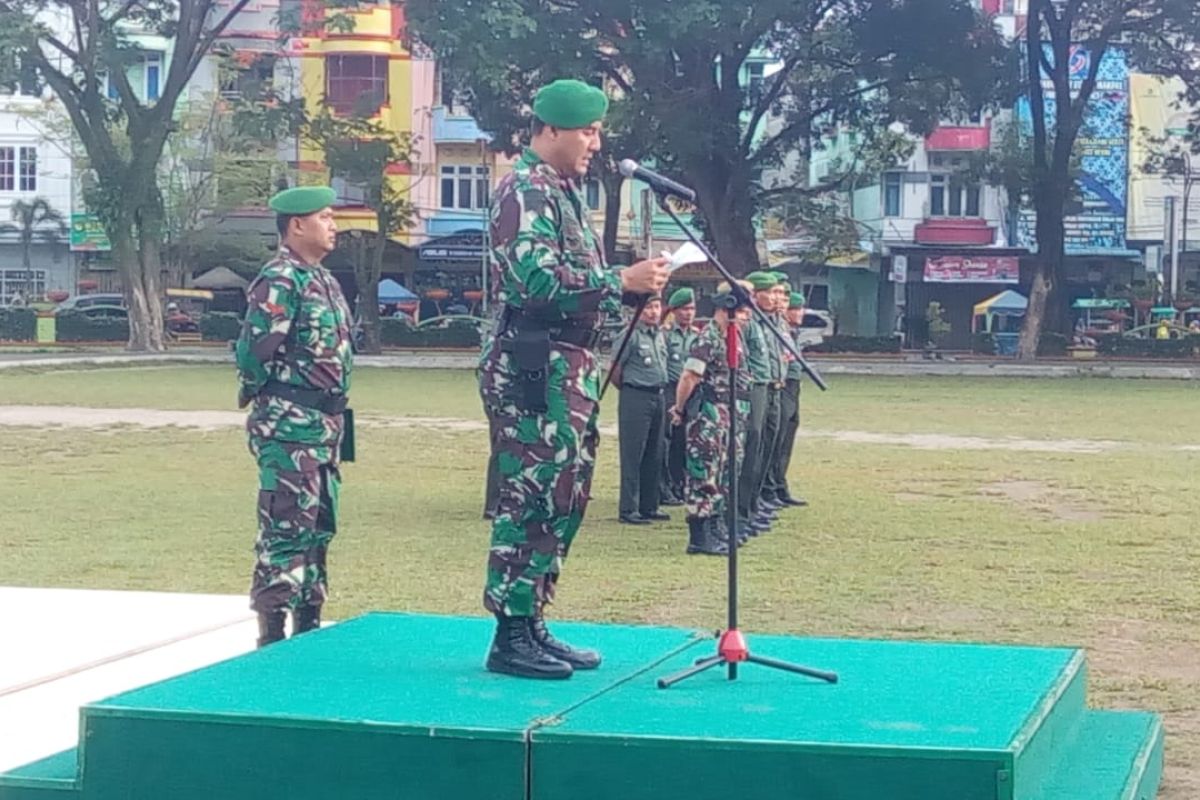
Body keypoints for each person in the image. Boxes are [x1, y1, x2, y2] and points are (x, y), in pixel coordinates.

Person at [477, 78, 669, 680]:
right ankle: (509, 634)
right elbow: (532, 283)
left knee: (565, 494)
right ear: (551, 130)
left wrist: (627, 289)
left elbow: (577, 283)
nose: (595, 141)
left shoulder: (562, 193)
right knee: (531, 494)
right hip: (535, 368)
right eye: (586, 130)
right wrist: (621, 282)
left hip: (572, 368)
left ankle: (533, 618)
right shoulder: (525, 191)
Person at [235, 185, 353, 648]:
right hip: (289, 426)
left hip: (324, 427)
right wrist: (273, 405)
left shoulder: (321, 278)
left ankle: (308, 623)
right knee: (286, 527)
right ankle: (273, 632)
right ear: (297, 225)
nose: (333, 225)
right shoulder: (280, 279)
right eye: (324, 217)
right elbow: (253, 353)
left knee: (319, 526)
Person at [670, 281, 754, 556]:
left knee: (726, 474)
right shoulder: (708, 338)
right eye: (742, 310)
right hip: (709, 414)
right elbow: (689, 376)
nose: (746, 315)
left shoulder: (734, 336)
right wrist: (680, 409)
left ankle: (717, 526)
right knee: (703, 473)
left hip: (732, 415)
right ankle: (699, 536)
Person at [614, 295, 671, 525]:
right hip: (635, 395)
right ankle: (629, 508)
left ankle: (649, 505)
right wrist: (630, 386)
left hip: (658, 396)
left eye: (657, 307)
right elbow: (615, 369)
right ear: (637, 310)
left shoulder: (658, 335)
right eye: (648, 307)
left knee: (655, 453)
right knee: (633, 454)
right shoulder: (629, 335)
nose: (653, 312)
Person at [736, 271, 779, 538]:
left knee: (759, 449)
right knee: (748, 450)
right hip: (751, 389)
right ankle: (740, 513)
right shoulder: (745, 324)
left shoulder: (762, 322)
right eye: (769, 292)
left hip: (765, 387)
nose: (775, 298)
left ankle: (750, 507)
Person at [770, 291, 810, 507]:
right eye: (795, 307)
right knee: (779, 438)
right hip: (783, 385)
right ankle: (774, 487)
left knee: (787, 437)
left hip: (793, 385)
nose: (799, 312)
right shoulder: (777, 328)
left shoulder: (789, 332)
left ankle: (780, 484)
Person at [660, 288, 699, 506]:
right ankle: (665, 487)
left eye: (692, 308)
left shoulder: (697, 335)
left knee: (686, 441)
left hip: (692, 393)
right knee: (667, 441)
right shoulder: (664, 335)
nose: (688, 313)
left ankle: (681, 484)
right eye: (684, 309)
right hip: (669, 389)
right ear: (673, 311)